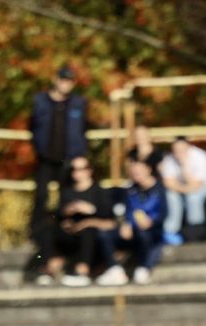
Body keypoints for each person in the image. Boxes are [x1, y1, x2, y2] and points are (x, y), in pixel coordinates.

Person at [29, 64, 88, 248]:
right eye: (63, 79)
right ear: (56, 79)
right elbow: (32, 126)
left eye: (70, 80)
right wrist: (38, 147)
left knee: (66, 198)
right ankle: (36, 234)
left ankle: (63, 233)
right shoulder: (40, 101)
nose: (66, 84)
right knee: (41, 197)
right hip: (46, 158)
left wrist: (80, 154)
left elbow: (83, 130)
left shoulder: (78, 103)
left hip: (68, 159)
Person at [36, 157, 117, 287]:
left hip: (91, 236)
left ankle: (82, 270)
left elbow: (110, 219)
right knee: (46, 229)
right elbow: (57, 215)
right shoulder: (67, 192)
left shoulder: (99, 192)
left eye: (81, 169)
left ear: (89, 170)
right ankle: (48, 268)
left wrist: (91, 212)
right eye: (73, 169)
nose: (77, 173)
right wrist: (66, 214)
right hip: (70, 233)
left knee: (88, 232)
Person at [99, 158, 166, 286]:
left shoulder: (160, 190)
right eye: (133, 172)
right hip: (131, 229)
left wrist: (151, 222)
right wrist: (126, 224)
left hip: (151, 231)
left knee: (144, 235)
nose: (136, 174)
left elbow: (163, 214)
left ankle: (143, 267)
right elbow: (123, 211)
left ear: (148, 170)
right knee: (104, 235)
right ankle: (114, 269)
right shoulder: (129, 190)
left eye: (139, 171)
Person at [158, 137, 206, 245]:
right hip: (185, 189)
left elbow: (196, 184)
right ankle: (171, 230)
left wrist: (184, 166)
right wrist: (183, 189)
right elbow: (168, 183)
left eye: (181, 150)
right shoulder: (170, 158)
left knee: (193, 197)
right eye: (176, 150)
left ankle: (196, 229)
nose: (178, 153)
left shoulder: (200, 156)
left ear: (189, 147)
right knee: (171, 195)